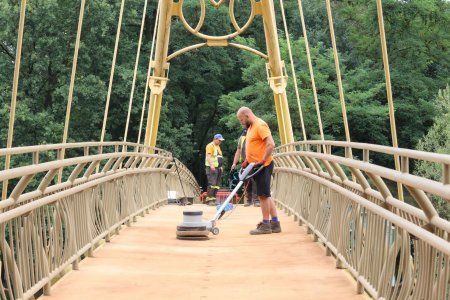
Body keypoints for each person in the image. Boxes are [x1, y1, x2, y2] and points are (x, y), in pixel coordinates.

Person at [236, 107, 281, 235]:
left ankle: (266, 224)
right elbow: (255, 147)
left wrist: (262, 160)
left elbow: (271, 144)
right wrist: (247, 161)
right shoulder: (251, 128)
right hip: (255, 165)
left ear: (247, 116)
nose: (241, 122)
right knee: (266, 194)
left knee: (262, 195)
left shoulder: (260, 125)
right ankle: (275, 223)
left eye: (242, 120)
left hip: (263, 165)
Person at [231, 128, 259, 207]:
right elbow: (238, 151)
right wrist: (234, 163)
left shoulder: (256, 137)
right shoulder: (242, 138)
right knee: (246, 180)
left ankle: (256, 200)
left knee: (255, 180)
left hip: (255, 162)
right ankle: (249, 200)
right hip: (245, 163)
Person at [204, 134, 225, 206]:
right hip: (211, 168)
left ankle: (213, 199)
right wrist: (212, 165)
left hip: (218, 168)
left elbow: (219, 157)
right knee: (212, 184)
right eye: (219, 140)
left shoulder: (217, 146)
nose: (220, 142)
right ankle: (209, 200)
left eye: (221, 141)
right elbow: (209, 156)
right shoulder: (210, 146)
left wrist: (221, 166)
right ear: (215, 139)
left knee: (216, 185)